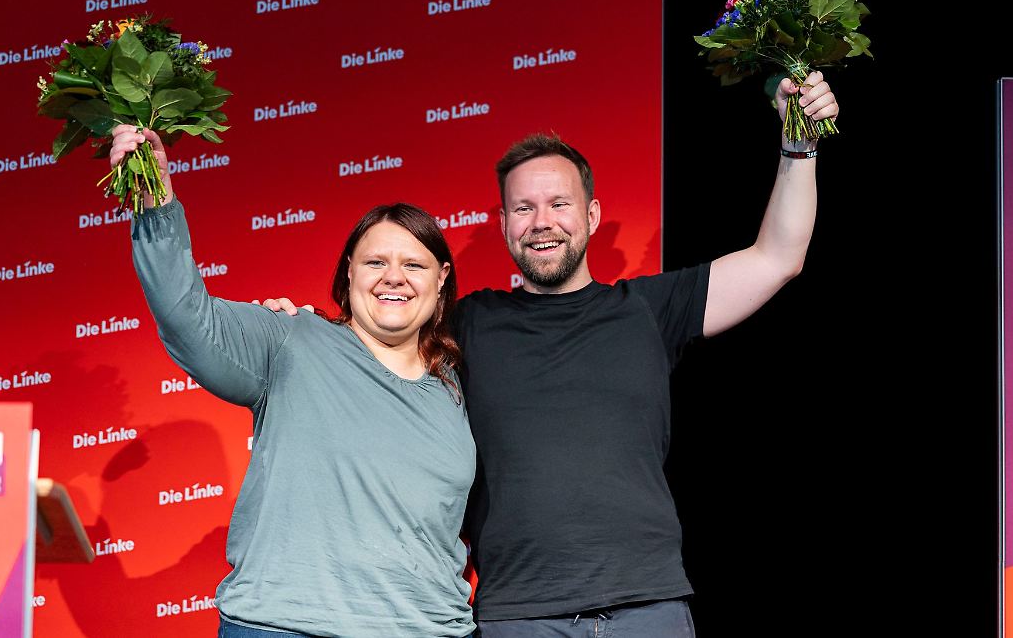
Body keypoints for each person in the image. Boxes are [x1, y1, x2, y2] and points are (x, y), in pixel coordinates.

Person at [261, 72, 838, 636]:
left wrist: (798, 143)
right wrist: (305, 328)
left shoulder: (648, 309)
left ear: (589, 216)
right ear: (505, 224)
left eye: (559, 204)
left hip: (649, 608)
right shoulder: (467, 323)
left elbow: (777, 257)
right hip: (520, 614)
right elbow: (378, 326)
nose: (542, 223)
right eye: (523, 208)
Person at [112, 124, 477, 638]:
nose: (394, 276)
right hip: (288, 627)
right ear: (349, 272)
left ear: (440, 280)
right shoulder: (291, 341)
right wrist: (156, 207)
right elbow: (186, 318)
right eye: (375, 261)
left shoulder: (455, 385)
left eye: (413, 264)